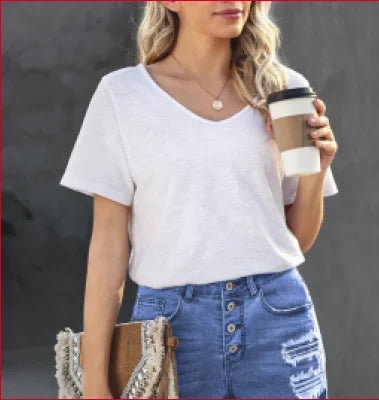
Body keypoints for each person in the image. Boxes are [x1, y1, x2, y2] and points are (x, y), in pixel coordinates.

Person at [59, 1, 339, 398]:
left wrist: (317, 171)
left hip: (278, 317)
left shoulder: (281, 91)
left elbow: (298, 241)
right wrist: (94, 380)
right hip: (171, 327)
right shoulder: (123, 96)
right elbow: (107, 247)